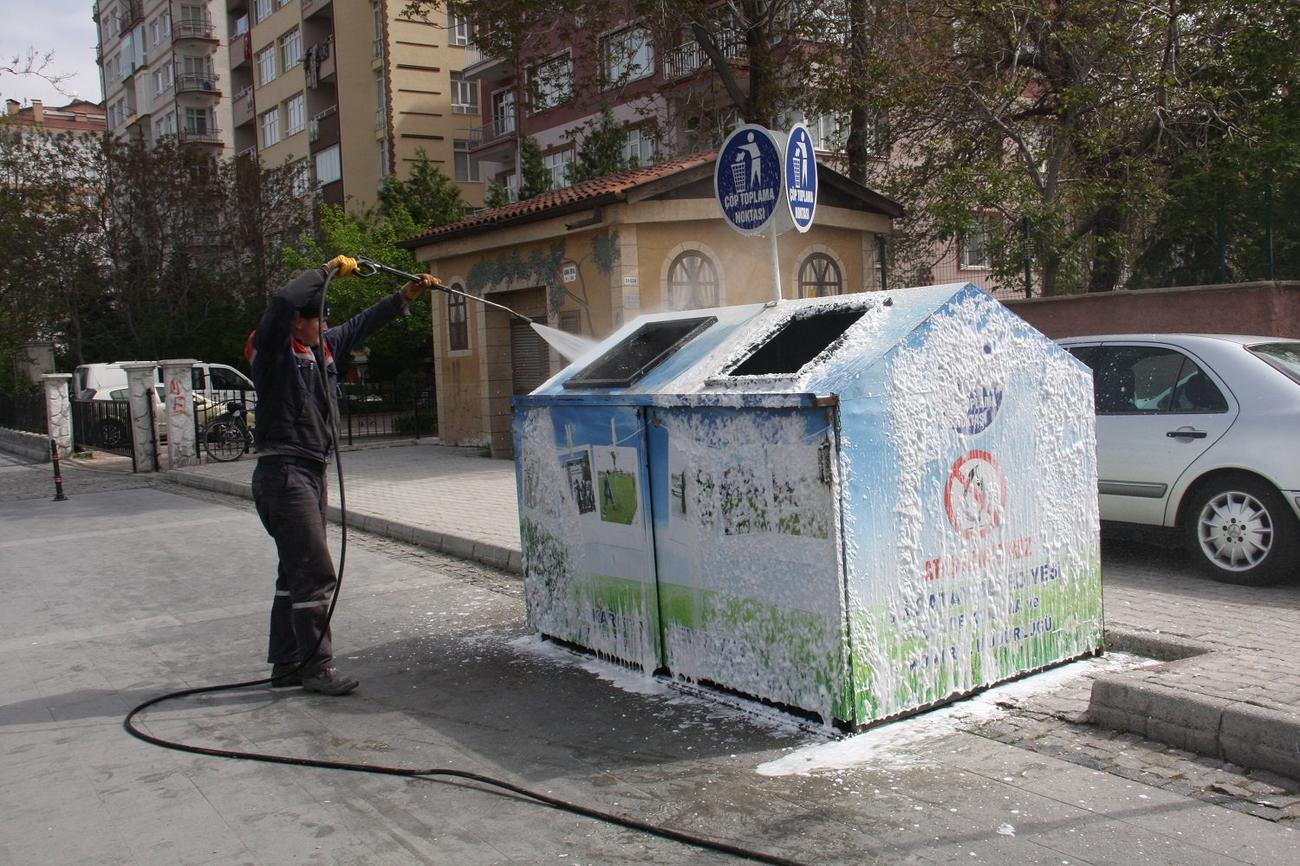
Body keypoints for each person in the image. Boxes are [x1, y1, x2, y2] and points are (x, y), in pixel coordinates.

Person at [247, 255, 437, 695]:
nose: (327, 324)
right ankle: (317, 669)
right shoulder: (274, 352)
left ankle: (287, 665)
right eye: (319, 318)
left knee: (292, 572)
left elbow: (364, 323)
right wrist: (324, 271)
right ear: (298, 324)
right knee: (314, 574)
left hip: (309, 471)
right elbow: (280, 302)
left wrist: (405, 295)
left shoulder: (322, 350)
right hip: (284, 472)